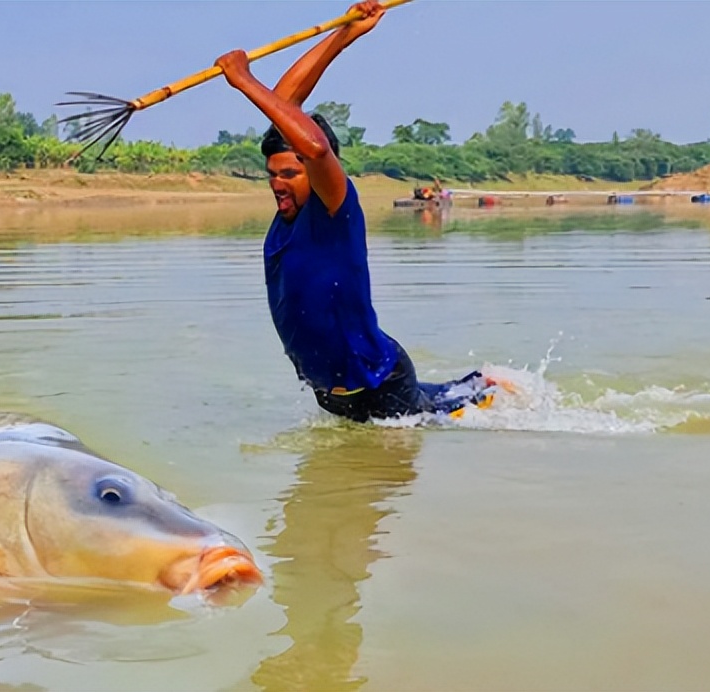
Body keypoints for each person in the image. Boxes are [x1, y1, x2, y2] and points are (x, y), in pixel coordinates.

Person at [212, 1, 501, 423]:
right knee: (430, 407)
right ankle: (478, 382)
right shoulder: (286, 217)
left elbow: (313, 147)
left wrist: (243, 80)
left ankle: (492, 386)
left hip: (379, 384)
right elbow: (283, 105)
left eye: (290, 174)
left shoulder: (333, 206)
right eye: (272, 175)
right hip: (330, 391)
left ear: (313, 172)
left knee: (432, 424)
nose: (278, 184)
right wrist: (345, 35)